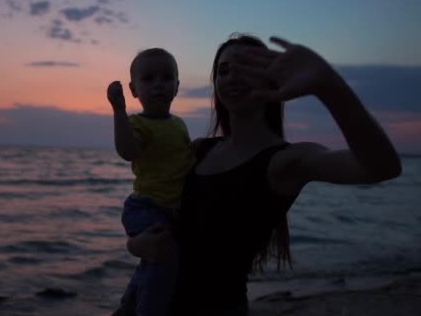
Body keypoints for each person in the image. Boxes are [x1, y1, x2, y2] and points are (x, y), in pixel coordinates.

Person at [116, 34, 402, 315]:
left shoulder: (285, 161)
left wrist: (328, 85)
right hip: (145, 302)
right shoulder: (198, 149)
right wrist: (135, 244)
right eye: (223, 70)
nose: (232, 76)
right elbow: (157, 207)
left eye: (246, 66)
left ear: (271, 78)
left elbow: (381, 167)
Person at [107, 48, 196, 316]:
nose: (158, 83)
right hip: (146, 208)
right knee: (162, 264)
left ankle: (129, 307)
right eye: (148, 79)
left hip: (171, 210)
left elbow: (182, 161)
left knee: (154, 266)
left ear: (177, 86)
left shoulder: (179, 124)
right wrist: (119, 111)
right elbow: (127, 151)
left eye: (166, 77)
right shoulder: (138, 123)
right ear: (134, 90)